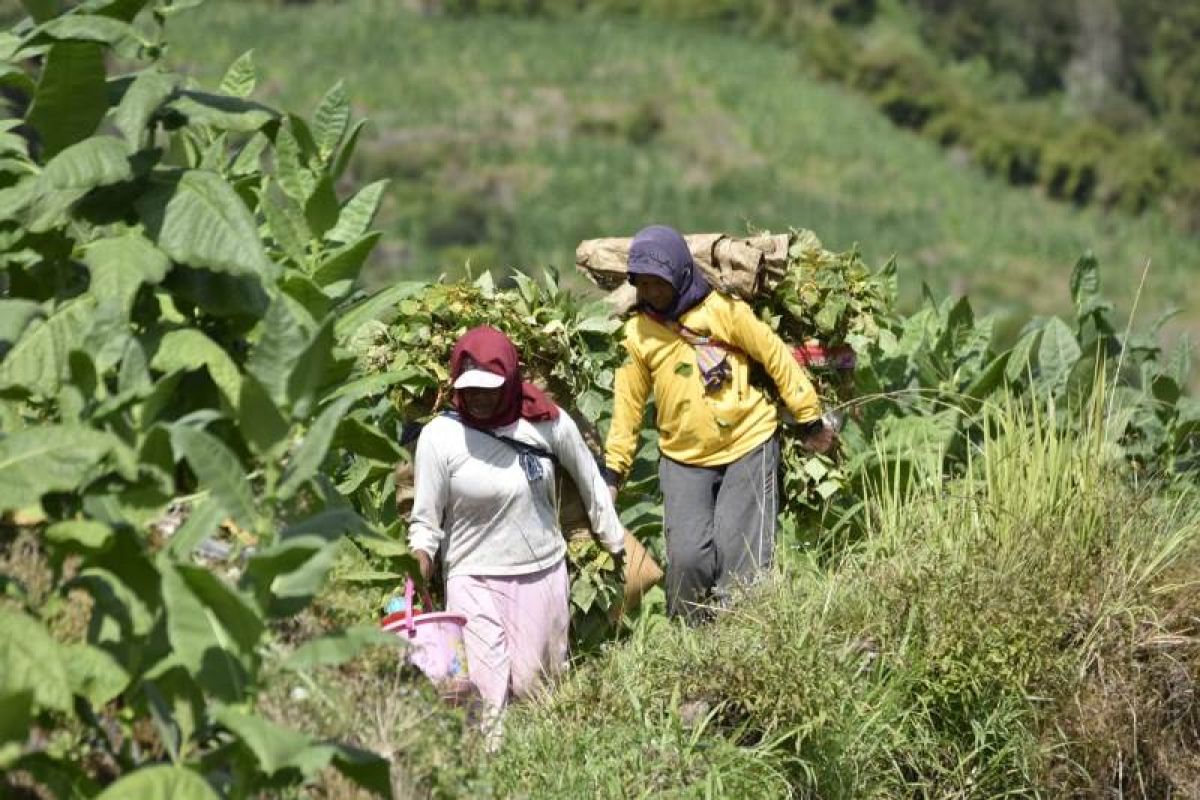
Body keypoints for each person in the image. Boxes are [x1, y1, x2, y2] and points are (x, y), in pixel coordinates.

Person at [603, 225, 834, 623]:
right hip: (683, 457)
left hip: (748, 441)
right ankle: (690, 650)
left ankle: (742, 641)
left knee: (739, 553)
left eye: (659, 282)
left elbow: (774, 355)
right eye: (642, 284)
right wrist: (614, 469)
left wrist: (809, 418)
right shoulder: (638, 334)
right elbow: (627, 406)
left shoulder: (722, 311)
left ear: (679, 274)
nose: (652, 292)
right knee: (687, 558)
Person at [407, 325, 625, 728]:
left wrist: (615, 543)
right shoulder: (440, 437)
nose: (479, 398)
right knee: (487, 692)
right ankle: (485, 778)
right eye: (470, 387)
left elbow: (590, 480)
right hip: (471, 576)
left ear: (509, 380)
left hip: (540, 571)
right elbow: (426, 519)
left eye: (490, 388)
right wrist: (418, 563)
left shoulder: (546, 423)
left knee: (535, 688)